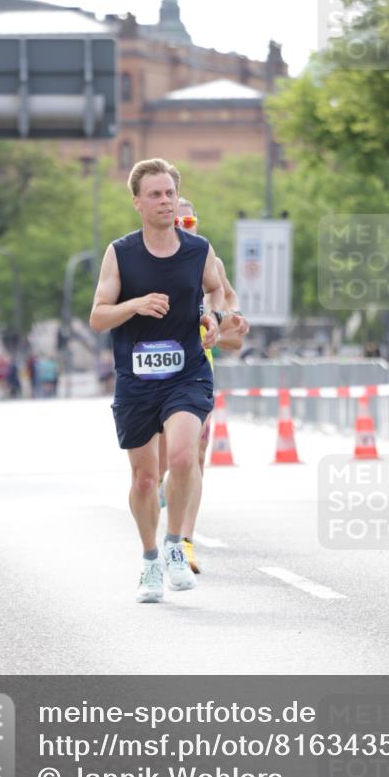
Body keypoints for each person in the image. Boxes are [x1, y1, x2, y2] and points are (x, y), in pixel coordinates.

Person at [90, 158, 243, 603]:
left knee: (181, 458)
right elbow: (99, 316)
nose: (164, 201)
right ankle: (150, 558)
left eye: (170, 193)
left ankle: (176, 544)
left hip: (188, 374)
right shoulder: (121, 253)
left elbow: (217, 289)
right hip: (137, 380)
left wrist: (215, 318)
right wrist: (134, 305)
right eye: (155, 194)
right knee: (143, 479)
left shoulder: (198, 249)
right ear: (138, 202)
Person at [157, 198, 250, 573]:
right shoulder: (148, 258)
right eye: (176, 218)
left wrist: (229, 320)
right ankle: (165, 488)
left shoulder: (209, 262)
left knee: (196, 452)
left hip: (196, 370)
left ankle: (185, 541)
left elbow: (229, 303)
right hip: (154, 371)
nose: (182, 224)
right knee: (163, 462)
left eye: (189, 218)